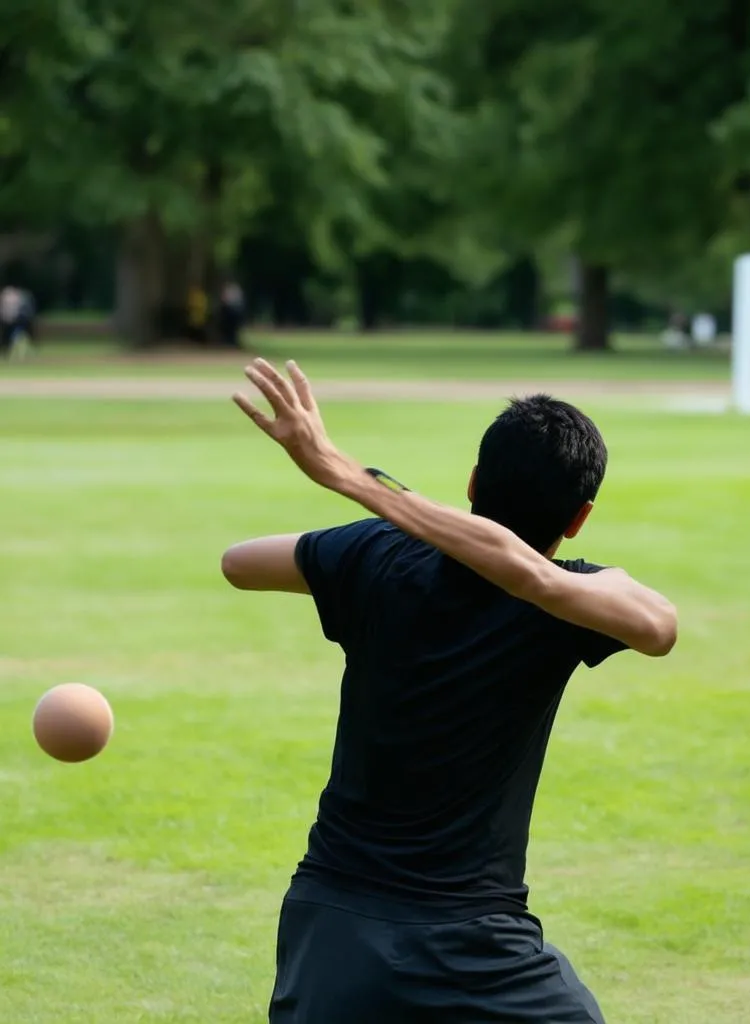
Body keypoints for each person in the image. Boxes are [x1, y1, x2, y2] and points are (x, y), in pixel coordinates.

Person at [223, 358, 678, 1024]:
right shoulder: (576, 601)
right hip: (477, 945)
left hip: (334, 925)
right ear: (578, 518)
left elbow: (240, 562)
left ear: (472, 482)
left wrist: (358, 490)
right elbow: (655, 625)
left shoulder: (374, 554)